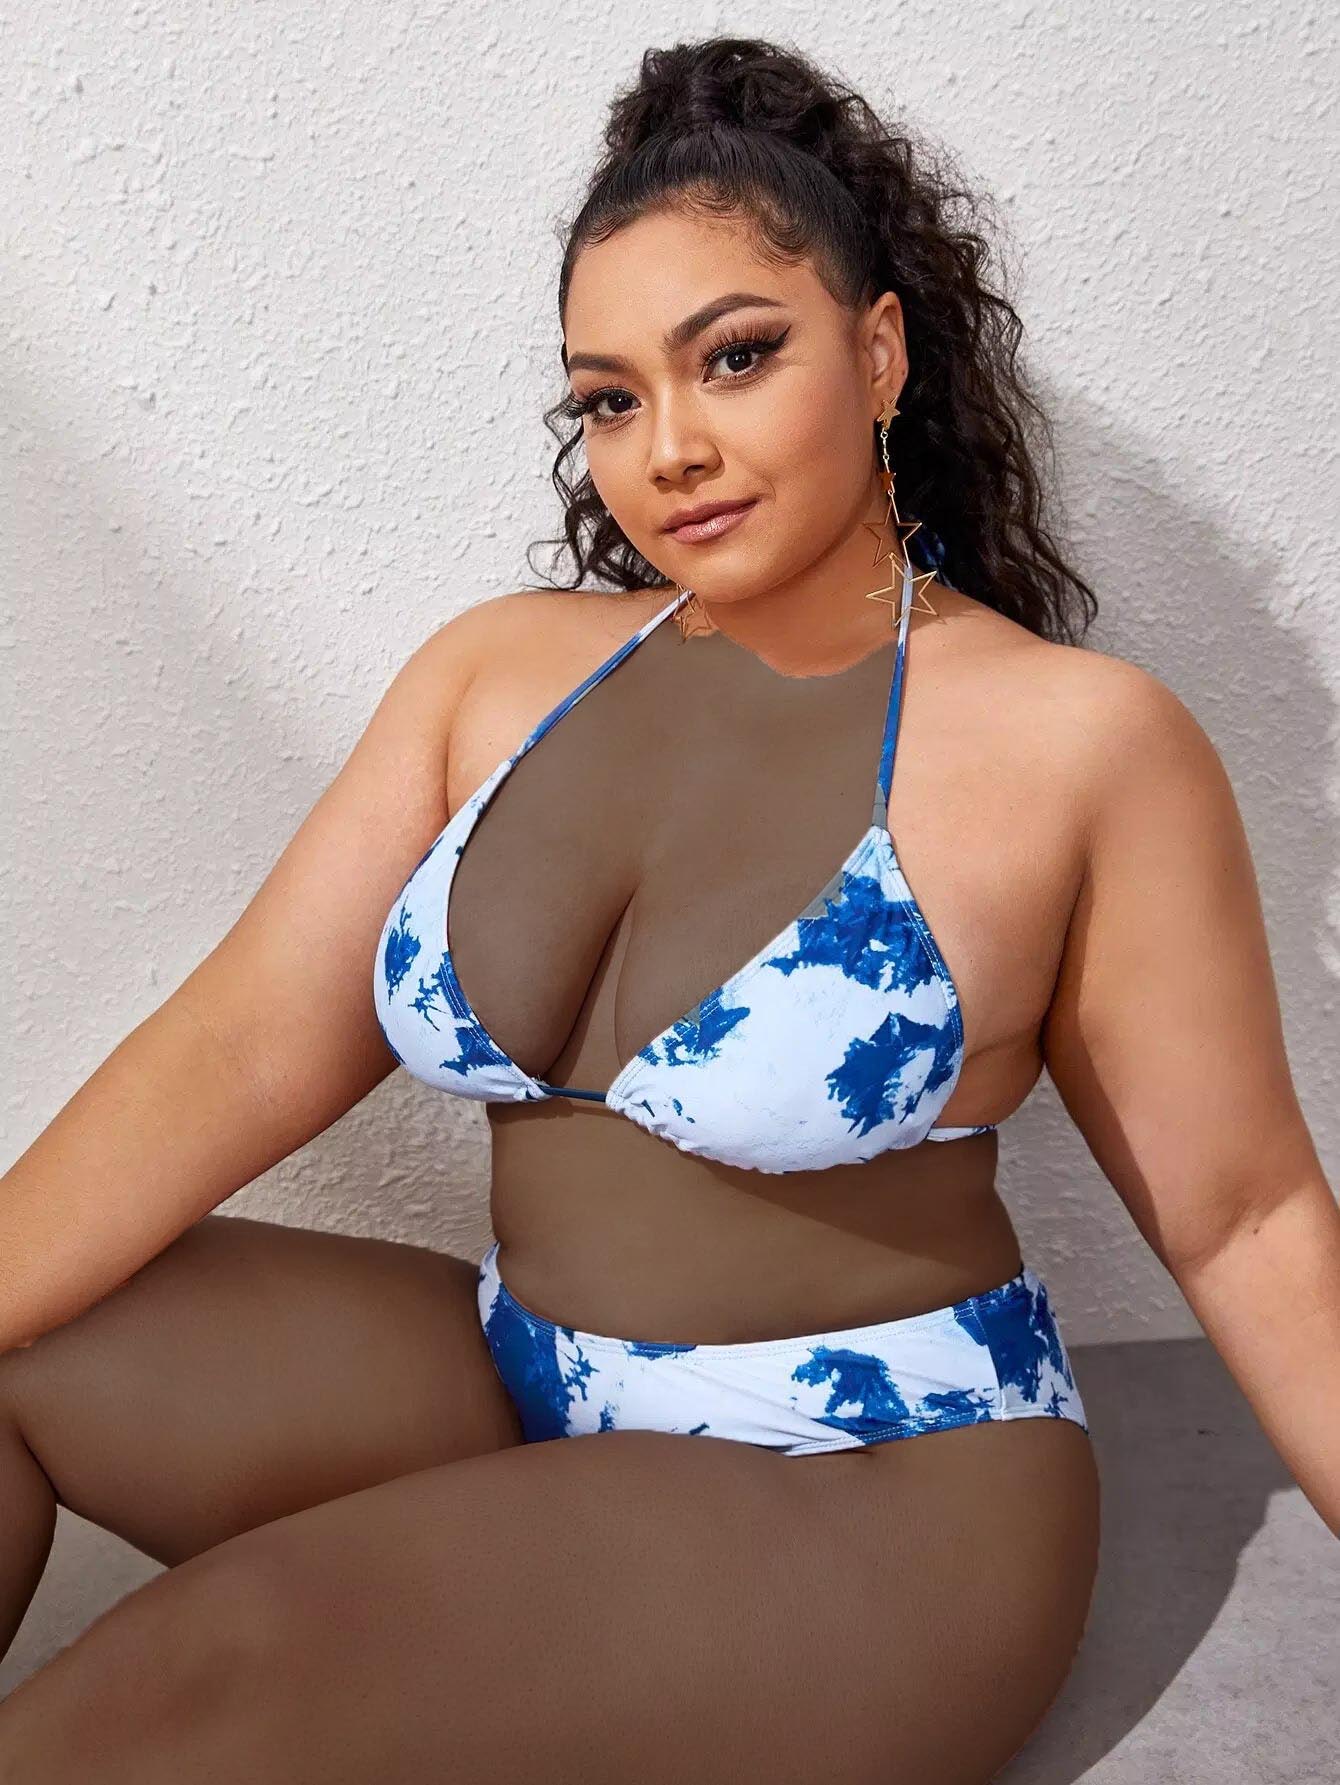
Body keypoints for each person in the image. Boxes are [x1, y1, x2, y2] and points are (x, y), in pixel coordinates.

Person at [1, 33, 1335, 1785]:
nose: (673, 449)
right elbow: (245, 1039)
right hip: (525, 1372)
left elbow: (1246, 1218)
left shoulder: (1077, 742)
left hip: (879, 1488)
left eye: (737, 357)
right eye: (613, 399)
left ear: (879, 352)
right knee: (22, 1338)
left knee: (189, 1681)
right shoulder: (499, 673)